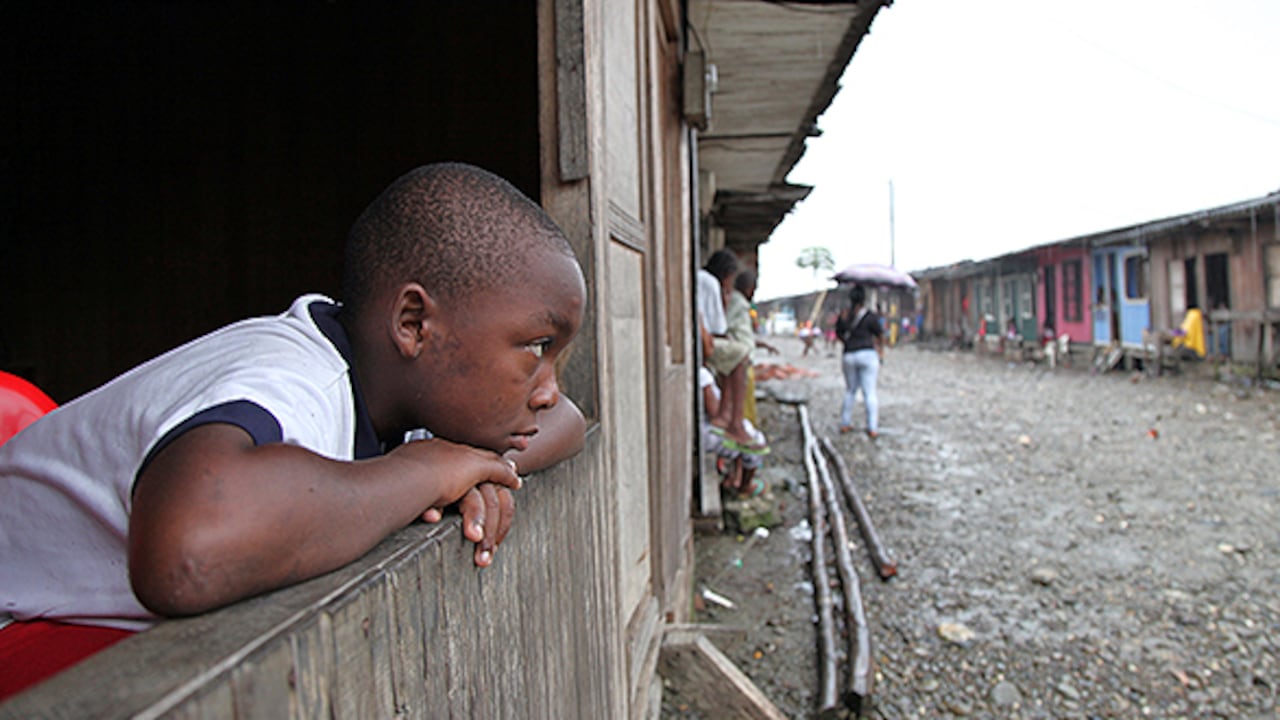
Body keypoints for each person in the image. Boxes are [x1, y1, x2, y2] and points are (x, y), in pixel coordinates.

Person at [0, 163, 587, 679]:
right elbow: (186, 556)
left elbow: (569, 421)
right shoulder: (291, 378)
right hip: (21, 625)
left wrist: (479, 466)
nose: (548, 388)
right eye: (536, 347)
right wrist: (425, 473)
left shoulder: (411, 392)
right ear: (414, 324)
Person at [698, 249, 757, 451]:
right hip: (701, 342)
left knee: (731, 357)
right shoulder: (711, 283)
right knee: (740, 354)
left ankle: (726, 416)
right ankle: (734, 422)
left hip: (700, 339)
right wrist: (724, 299)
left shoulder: (700, 278)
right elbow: (718, 327)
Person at [835, 285, 884, 439]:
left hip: (849, 355)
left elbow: (838, 333)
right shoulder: (870, 316)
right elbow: (880, 334)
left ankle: (845, 423)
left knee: (850, 390)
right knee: (869, 392)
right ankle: (872, 427)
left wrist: (848, 343)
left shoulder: (844, 315)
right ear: (864, 299)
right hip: (868, 354)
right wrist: (881, 350)